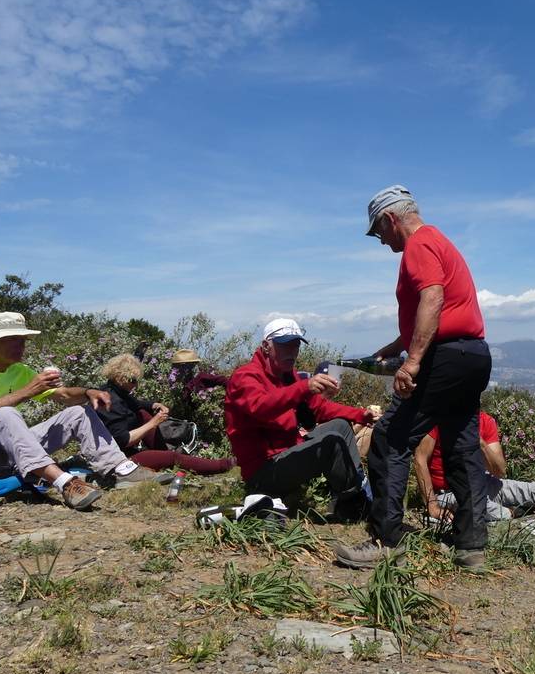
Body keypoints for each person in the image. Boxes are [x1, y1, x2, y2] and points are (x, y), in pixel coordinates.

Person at [335, 185, 492, 570]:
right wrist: (398, 345)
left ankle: (387, 541)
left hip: (443, 357)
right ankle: (471, 547)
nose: (380, 240)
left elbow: (433, 299)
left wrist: (413, 360)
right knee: (462, 444)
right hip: (472, 355)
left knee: (390, 439)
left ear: (391, 218)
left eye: (378, 231)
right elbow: (445, 308)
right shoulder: (441, 240)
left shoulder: (419, 245)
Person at [0, 313, 169, 511]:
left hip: (12, 450)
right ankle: (65, 483)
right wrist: (27, 391)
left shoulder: (19, 371)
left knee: (78, 412)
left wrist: (88, 392)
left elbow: (63, 395)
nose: (22, 345)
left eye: (23, 339)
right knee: (5, 414)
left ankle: (121, 469)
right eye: (14, 340)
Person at [224, 318, 376, 519]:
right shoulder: (246, 377)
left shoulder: (287, 375)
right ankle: (352, 506)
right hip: (263, 470)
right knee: (331, 444)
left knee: (340, 426)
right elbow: (260, 407)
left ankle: (354, 493)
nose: (292, 352)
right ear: (266, 347)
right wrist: (303, 387)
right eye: (284, 346)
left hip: (288, 455)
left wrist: (360, 415)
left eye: (295, 346)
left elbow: (319, 409)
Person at [416, 411, 535, 522]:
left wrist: (481, 444)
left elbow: (499, 471)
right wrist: (432, 505)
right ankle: (519, 513)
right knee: (484, 507)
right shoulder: (438, 420)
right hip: (448, 492)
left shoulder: (485, 421)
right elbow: (420, 460)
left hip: (484, 482)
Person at [96, 353, 236, 475]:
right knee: (173, 458)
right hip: (119, 459)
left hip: (124, 449)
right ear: (121, 378)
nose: (136, 385)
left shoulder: (116, 391)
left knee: (142, 413)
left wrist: (155, 405)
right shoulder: (110, 402)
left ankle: (162, 453)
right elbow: (123, 440)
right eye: (133, 381)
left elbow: (136, 404)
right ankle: (223, 465)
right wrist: (153, 423)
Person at [169, 349, 228, 422]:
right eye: (177, 366)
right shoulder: (179, 382)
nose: (179, 369)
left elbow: (223, 380)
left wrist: (223, 398)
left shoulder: (201, 377)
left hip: (202, 418)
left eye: (181, 366)